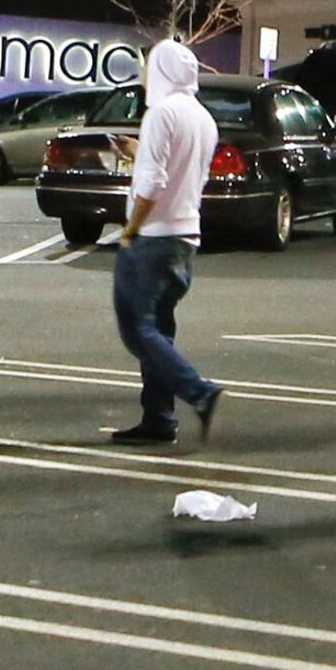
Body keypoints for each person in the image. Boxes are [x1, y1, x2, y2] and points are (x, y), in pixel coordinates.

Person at [106, 36, 225, 446]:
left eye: (147, 67)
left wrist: (129, 230)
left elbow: (154, 183)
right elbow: (182, 170)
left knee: (136, 328)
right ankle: (158, 418)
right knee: (159, 330)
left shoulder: (160, 114)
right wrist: (140, 152)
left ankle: (198, 391)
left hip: (153, 238)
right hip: (185, 237)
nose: (143, 75)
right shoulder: (203, 118)